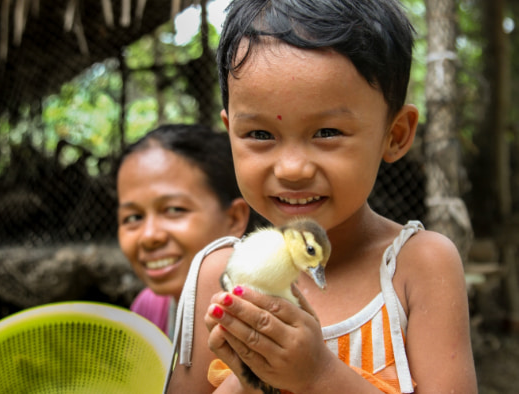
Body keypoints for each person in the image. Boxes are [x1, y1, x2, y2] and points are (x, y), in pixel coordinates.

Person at [166, 0, 477, 393]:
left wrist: (319, 376)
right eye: (260, 135)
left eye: (327, 132)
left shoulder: (420, 268)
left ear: (395, 134)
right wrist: (247, 382)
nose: (292, 168)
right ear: (230, 133)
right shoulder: (219, 276)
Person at [117, 124, 260, 339]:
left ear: (234, 218)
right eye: (133, 217)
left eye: (174, 210)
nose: (149, 236)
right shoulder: (149, 308)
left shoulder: (267, 318)